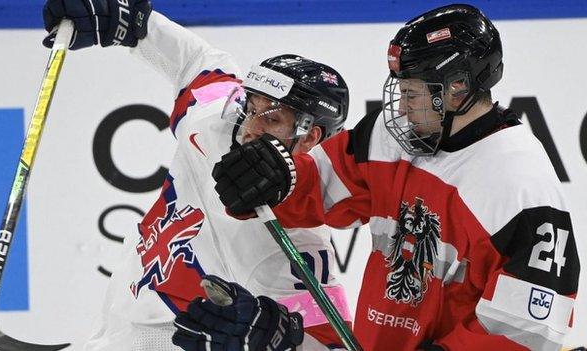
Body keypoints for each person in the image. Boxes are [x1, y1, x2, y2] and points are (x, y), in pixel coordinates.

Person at [208, 4, 580, 350]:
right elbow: (317, 185)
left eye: (412, 93)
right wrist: (274, 179)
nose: (401, 107)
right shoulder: (392, 137)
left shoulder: (520, 186)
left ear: (457, 89)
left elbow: (529, 329)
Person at [41, 0, 353, 350]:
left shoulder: (293, 248)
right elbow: (196, 62)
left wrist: (287, 340)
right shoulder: (217, 121)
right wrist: (133, 21)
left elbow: (333, 343)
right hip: (119, 313)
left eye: (273, 118)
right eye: (252, 107)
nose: (250, 127)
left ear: (311, 137)